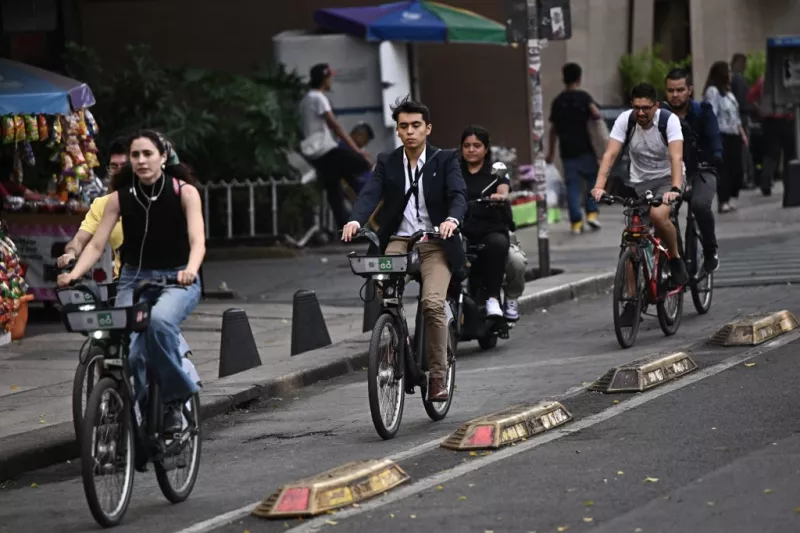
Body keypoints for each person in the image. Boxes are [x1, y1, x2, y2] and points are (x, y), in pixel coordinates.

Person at [57, 130, 205, 435]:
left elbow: (197, 241)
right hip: (133, 279)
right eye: (136, 155)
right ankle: (139, 413)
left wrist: (190, 269)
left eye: (148, 154)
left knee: (160, 323)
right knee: (130, 352)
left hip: (177, 278)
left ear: (163, 157)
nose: (141, 161)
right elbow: (96, 245)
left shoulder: (185, 192)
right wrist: (73, 274)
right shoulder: (116, 200)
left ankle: (176, 397)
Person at [341, 97, 467, 402]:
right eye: (403, 126)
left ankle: (437, 376)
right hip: (399, 241)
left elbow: (459, 195)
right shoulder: (387, 161)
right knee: (387, 299)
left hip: (435, 242)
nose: (409, 131)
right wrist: (355, 221)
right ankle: (395, 343)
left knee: (433, 304)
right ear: (397, 131)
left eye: (415, 126)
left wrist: (452, 219)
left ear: (427, 128)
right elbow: (370, 194)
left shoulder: (445, 159)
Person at [591, 83, 689, 290]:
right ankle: (630, 299)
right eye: (637, 108)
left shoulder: (668, 121)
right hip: (639, 183)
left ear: (656, 106)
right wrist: (599, 187)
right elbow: (610, 155)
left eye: (646, 108)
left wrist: (675, 189)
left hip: (667, 179)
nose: (641, 113)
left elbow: (676, 156)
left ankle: (675, 258)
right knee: (632, 238)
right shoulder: (625, 121)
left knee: (658, 216)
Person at [299, 63, 371, 228]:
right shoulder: (318, 98)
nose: (331, 81)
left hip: (315, 152)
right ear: (324, 79)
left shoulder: (306, 99)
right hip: (324, 149)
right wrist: (358, 151)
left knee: (334, 189)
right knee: (360, 164)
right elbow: (335, 126)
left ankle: (346, 227)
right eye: (330, 77)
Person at [664, 68, 722, 272]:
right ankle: (673, 258)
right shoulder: (660, 115)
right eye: (671, 90)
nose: (675, 95)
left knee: (699, 204)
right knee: (663, 212)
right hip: (672, 173)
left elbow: (714, 137)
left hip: (702, 171)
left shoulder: (703, 111)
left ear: (690, 90)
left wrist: (716, 155)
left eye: (680, 89)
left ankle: (710, 250)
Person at [459, 125, 517, 320]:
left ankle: (493, 297)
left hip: (491, 228)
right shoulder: (454, 170)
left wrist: (499, 197)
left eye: (477, 145)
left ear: (485, 148)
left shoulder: (496, 170)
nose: (471, 150)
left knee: (497, 245)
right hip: (461, 228)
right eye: (467, 145)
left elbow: (503, 189)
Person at [546, 63, 604, 235]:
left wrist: (551, 152)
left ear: (564, 79)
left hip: (567, 151)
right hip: (586, 148)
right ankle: (592, 213)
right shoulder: (584, 98)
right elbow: (597, 114)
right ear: (579, 78)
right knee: (592, 181)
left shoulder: (558, 102)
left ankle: (576, 223)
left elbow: (553, 129)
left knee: (572, 186)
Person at [58, 136, 128, 278]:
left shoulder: (151, 197)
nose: (119, 172)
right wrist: (70, 254)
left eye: (124, 166)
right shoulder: (102, 204)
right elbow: (83, 242)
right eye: (114, 166)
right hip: (124, 282)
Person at [703, 60, 748, 213]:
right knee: (724, 169)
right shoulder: (713, 92)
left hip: (734, 134)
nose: (731, 75)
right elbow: (711, 114)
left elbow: (735, 116)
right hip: (722, 135)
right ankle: (723, 201)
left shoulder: (728, 93)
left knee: (737, 168)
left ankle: (731, 196)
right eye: (728, 72)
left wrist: (742, 132)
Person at [749, 75, 796, 196]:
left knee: (770, 153)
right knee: (789, 154)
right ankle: (790, 183)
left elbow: (750, 97)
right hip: (786, 119)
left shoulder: (762, 81)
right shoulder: (788, 79)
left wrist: (760, 109)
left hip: (769, 120)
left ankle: (765, 183)